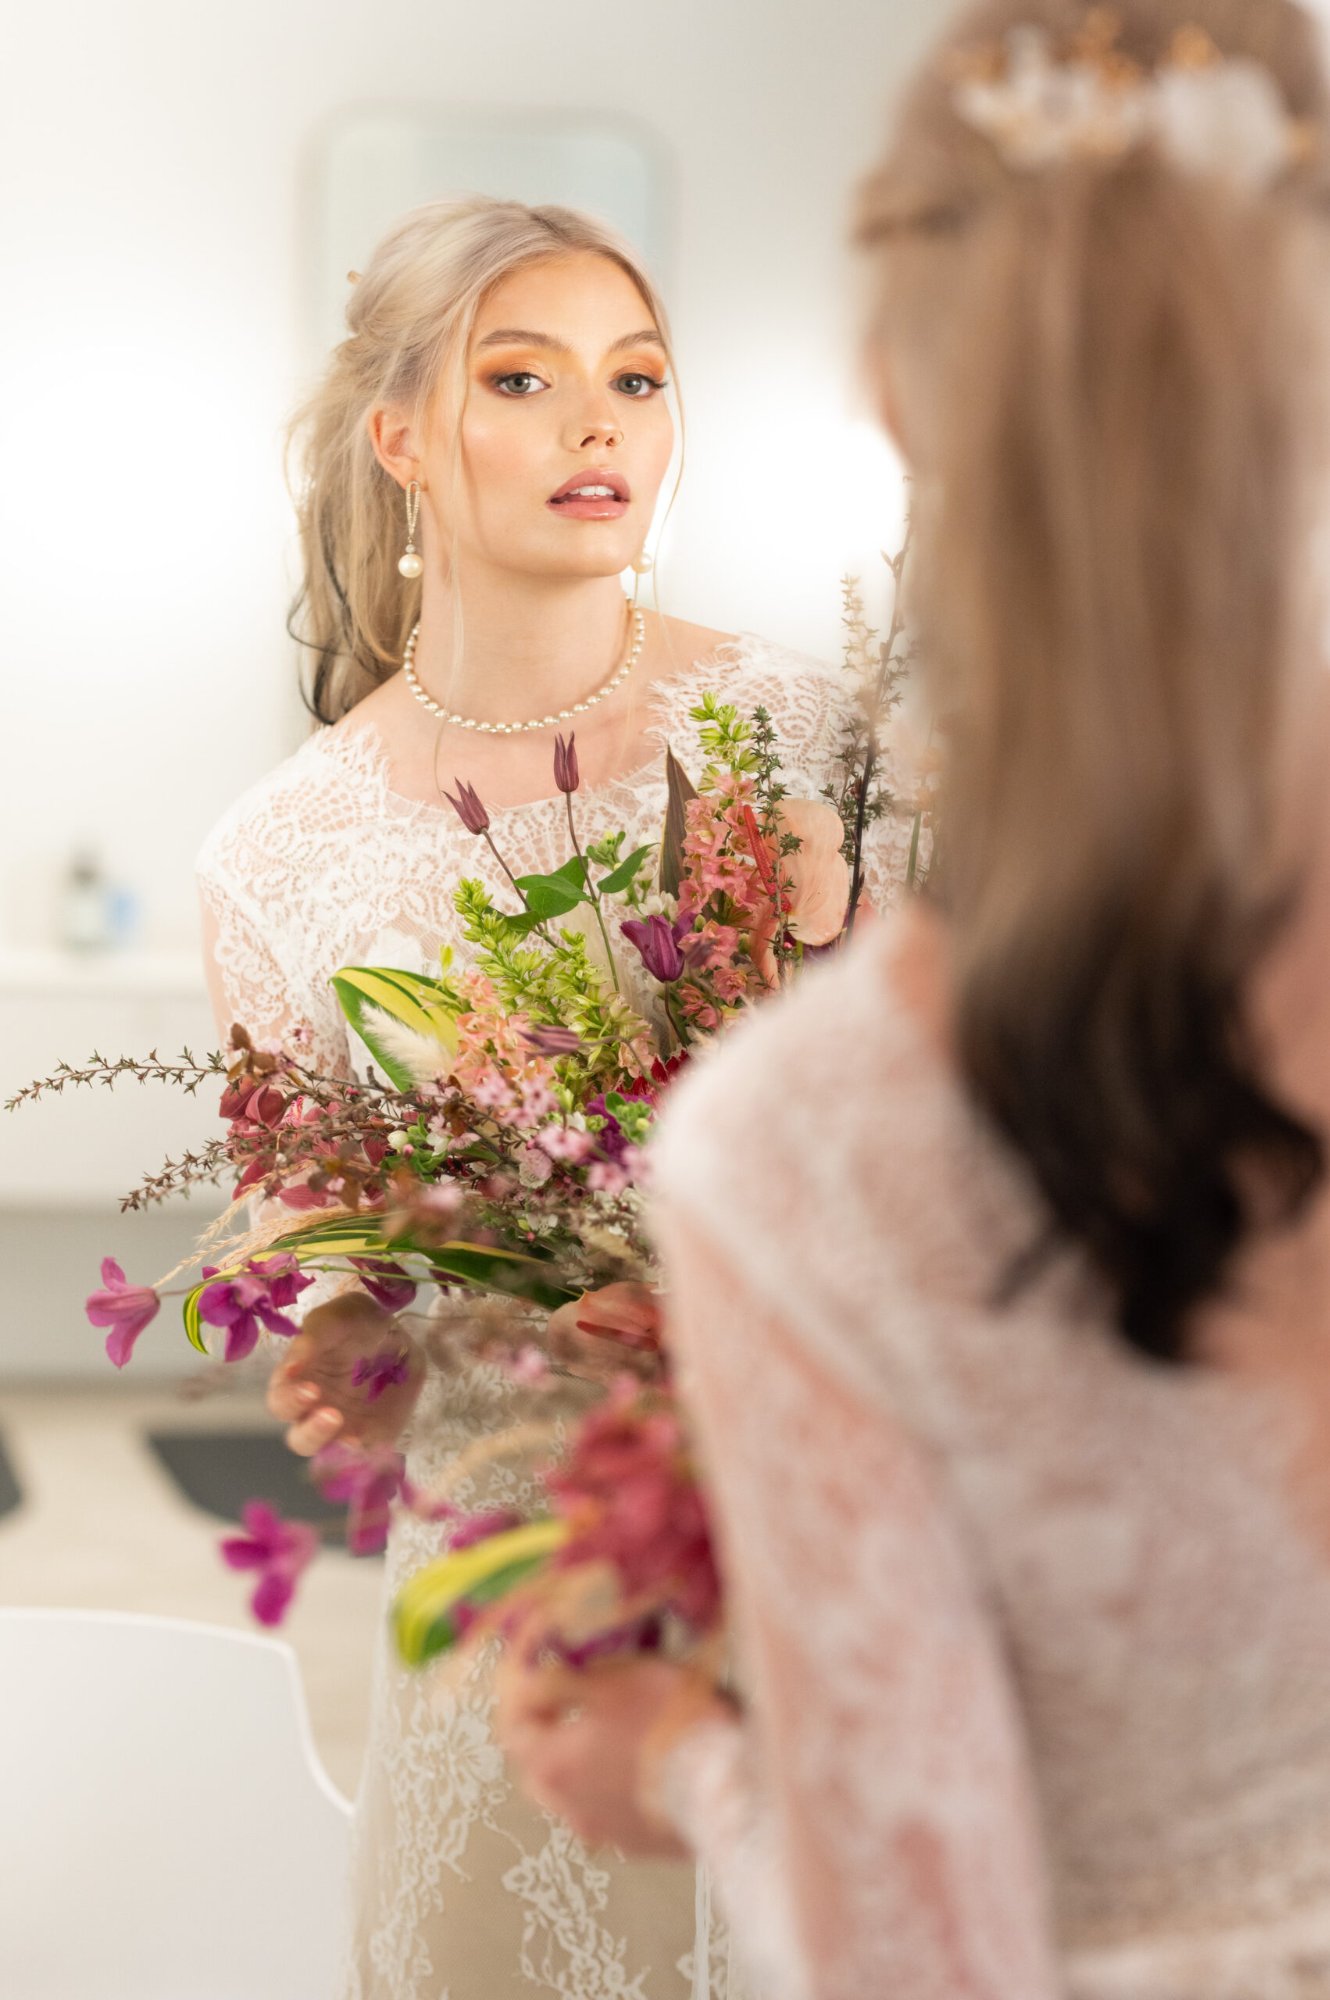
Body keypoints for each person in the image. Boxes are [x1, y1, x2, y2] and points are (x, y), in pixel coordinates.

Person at [496, 4, 1330, 1996]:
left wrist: (685, 1765)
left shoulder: (819, 1144)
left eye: (625, 378)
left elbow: (927, 1961)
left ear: (886, 387)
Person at [196, 195, 911, 2000]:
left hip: (826, 1560)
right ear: (403, 440)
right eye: (524, 379)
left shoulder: (814, 730)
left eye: (637, 378)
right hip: (513, 1578)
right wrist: (343, 1333)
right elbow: (309, 1222)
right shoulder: (277, 858)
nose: (601, 426)